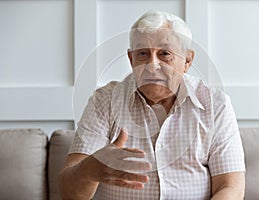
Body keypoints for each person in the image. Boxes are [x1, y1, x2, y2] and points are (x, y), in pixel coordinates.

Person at [59, 11, 245, 200]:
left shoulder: (216, 105)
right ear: (131, 60)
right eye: (142, 54)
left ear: (187, 60)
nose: (152, 65)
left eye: (165, 54)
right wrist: (90, 170)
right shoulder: (104, 101)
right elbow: (69, 193)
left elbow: (230, 188)